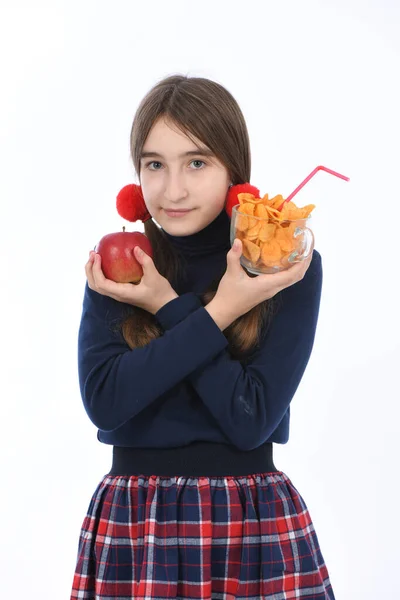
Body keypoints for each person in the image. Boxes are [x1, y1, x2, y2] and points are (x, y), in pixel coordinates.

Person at [70, 74, 335, 599]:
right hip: (133, 525)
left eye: (196, 163)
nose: (173, 190)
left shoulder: (280, 263)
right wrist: (216, 315)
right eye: (154, 165)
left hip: (250, 525)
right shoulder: (124, 265)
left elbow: (250, 420)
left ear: (233, 168)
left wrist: (170, 308)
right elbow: (105, 403)